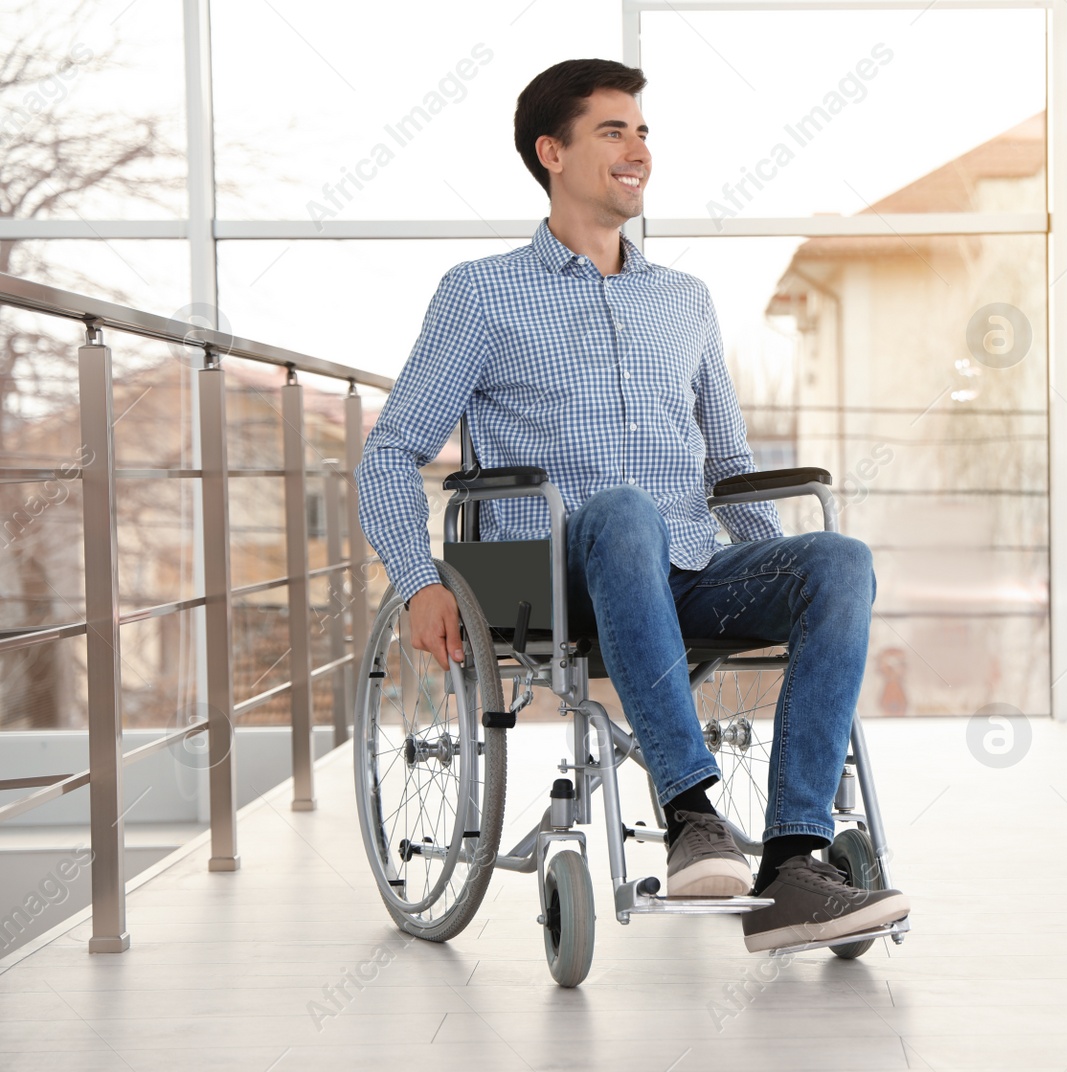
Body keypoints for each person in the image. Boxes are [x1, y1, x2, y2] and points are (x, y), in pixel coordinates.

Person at [356, 58, 908, 953]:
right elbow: (390, 452)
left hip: (683, 565)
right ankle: (692, 812)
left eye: (643, 131)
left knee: (838, 559)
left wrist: (771, 574)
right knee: (618, 510)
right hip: (554, 575)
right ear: (552, 153)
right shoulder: (481, 295)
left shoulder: (683, 302)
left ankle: (795, 861)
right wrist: (419, 578)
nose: (638, 148)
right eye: (613, 130)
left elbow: (729, 462)